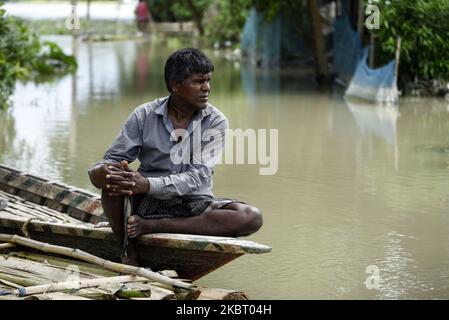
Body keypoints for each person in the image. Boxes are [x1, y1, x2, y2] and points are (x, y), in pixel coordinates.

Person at [88, 48, 263, 266]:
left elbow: (198, 177)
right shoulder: (144, 115)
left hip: (193, 203)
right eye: (198, 81)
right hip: (147, 202)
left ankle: (153, 226)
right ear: (175, 85)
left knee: (250, 217)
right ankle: (127, 249)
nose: (206, 88)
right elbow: (111, 160)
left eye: (208, 80)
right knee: (113, 184)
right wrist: (102, 173)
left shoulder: (216, 121)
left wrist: (147, 184)